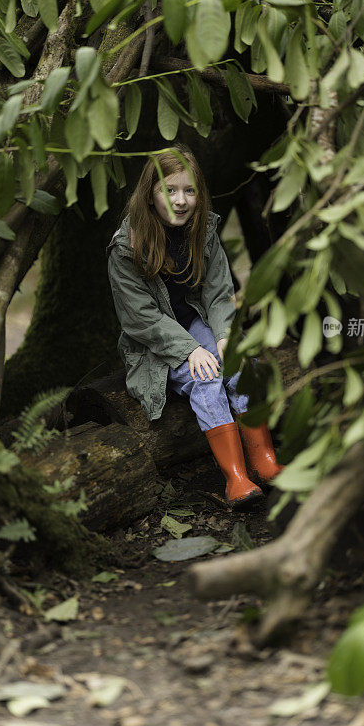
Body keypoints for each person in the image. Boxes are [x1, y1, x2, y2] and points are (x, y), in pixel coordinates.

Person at [106, 145, 283, 507]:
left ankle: (264, 460)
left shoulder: (203, 230)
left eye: (189, 190)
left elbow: (219, 294)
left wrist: (221, 336)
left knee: (235, 363)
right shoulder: (126, 247)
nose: (180, 200)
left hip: (196, 322)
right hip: (157, 341)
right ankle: (236, 478)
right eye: (169, 191)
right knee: (206, 378)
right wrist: (189, 350)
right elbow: (140, 318)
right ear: (150, 195)